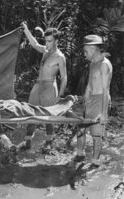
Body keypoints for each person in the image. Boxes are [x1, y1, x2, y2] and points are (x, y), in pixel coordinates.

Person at [20, 22, 67, 150]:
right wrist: (26, 30)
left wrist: (60, 96)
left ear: (56, 40)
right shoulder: (45, 50)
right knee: (31, 114)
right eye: (46, 41)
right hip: (38, 85)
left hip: (50, 87)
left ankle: (48, 144)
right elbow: (35, 44)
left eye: (50, 41)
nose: (47, 44)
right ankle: (27, 142)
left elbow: (64, 77)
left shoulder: (60, 57)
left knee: (48, 117)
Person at [73, 34, 113, 168]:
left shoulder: (104, 65)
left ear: (92, 48)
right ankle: (80, 153)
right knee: (81, 128)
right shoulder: (93, 63)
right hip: (90, 101)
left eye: (85, 50)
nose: (84, 54)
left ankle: (95, 161)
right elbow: (90, 84)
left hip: (100, 99)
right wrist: (85, 98)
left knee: (97, 135)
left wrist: (104, 113)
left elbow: (105, 90)